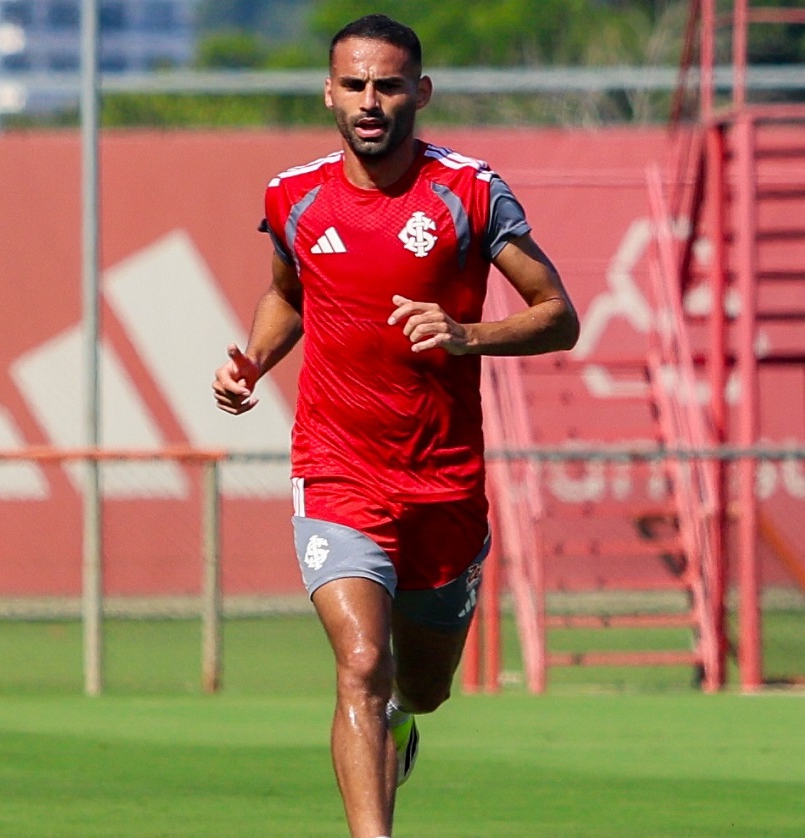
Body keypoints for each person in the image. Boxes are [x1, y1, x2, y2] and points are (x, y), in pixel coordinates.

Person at [212, 14, 579, 838]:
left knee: (423, 686)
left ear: (421, 91)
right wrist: (255, 363)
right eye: (354, 85)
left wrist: (465, 334)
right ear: (328, 93)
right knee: (361, 665)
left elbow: (560, 317)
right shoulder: (293, 196)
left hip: (444, 483)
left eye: (387, 85)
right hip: (337, 472)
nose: (369, 102)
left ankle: (406, 725)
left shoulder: (472, 193)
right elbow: (288, 291)